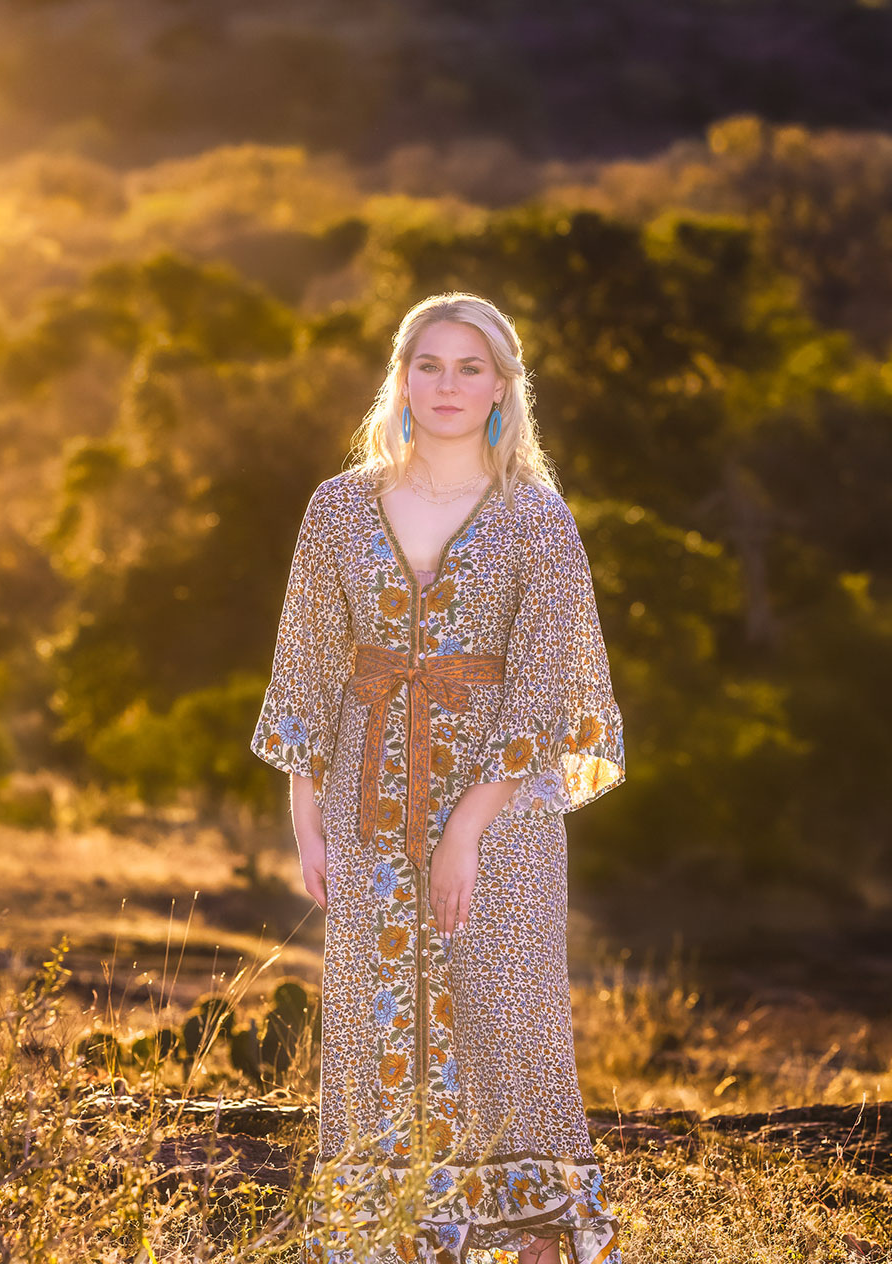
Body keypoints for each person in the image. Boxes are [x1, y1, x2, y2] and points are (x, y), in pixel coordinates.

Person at [250, 293, 627, 1264]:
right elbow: (307, 663)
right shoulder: (337, 506)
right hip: (365, 802)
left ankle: (535, 1240)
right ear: (401, 377)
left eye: (469, 367)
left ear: (502, 387)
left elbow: (543, 689)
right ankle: (394, 1244)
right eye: (428, 364)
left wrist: (465, 827)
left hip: (499, 816)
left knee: (507, 1013)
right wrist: (305, 814)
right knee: (378, 1015)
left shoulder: (537, 521)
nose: (447, 385)